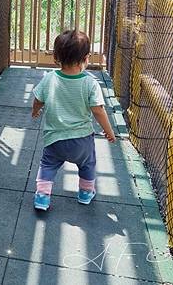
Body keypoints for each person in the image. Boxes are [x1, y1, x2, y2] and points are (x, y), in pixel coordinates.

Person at [31, 30, 116, 210]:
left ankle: (42, 197)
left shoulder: (49, 79)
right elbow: (98, 110)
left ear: (56, 56)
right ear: (86, 58)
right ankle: (85, 193)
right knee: (88, 164)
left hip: (54, 140)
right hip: (82, 140)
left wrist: (35, 111)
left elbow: (38, 99)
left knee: (47, 165)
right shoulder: (90, 83)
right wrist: (109, 132)